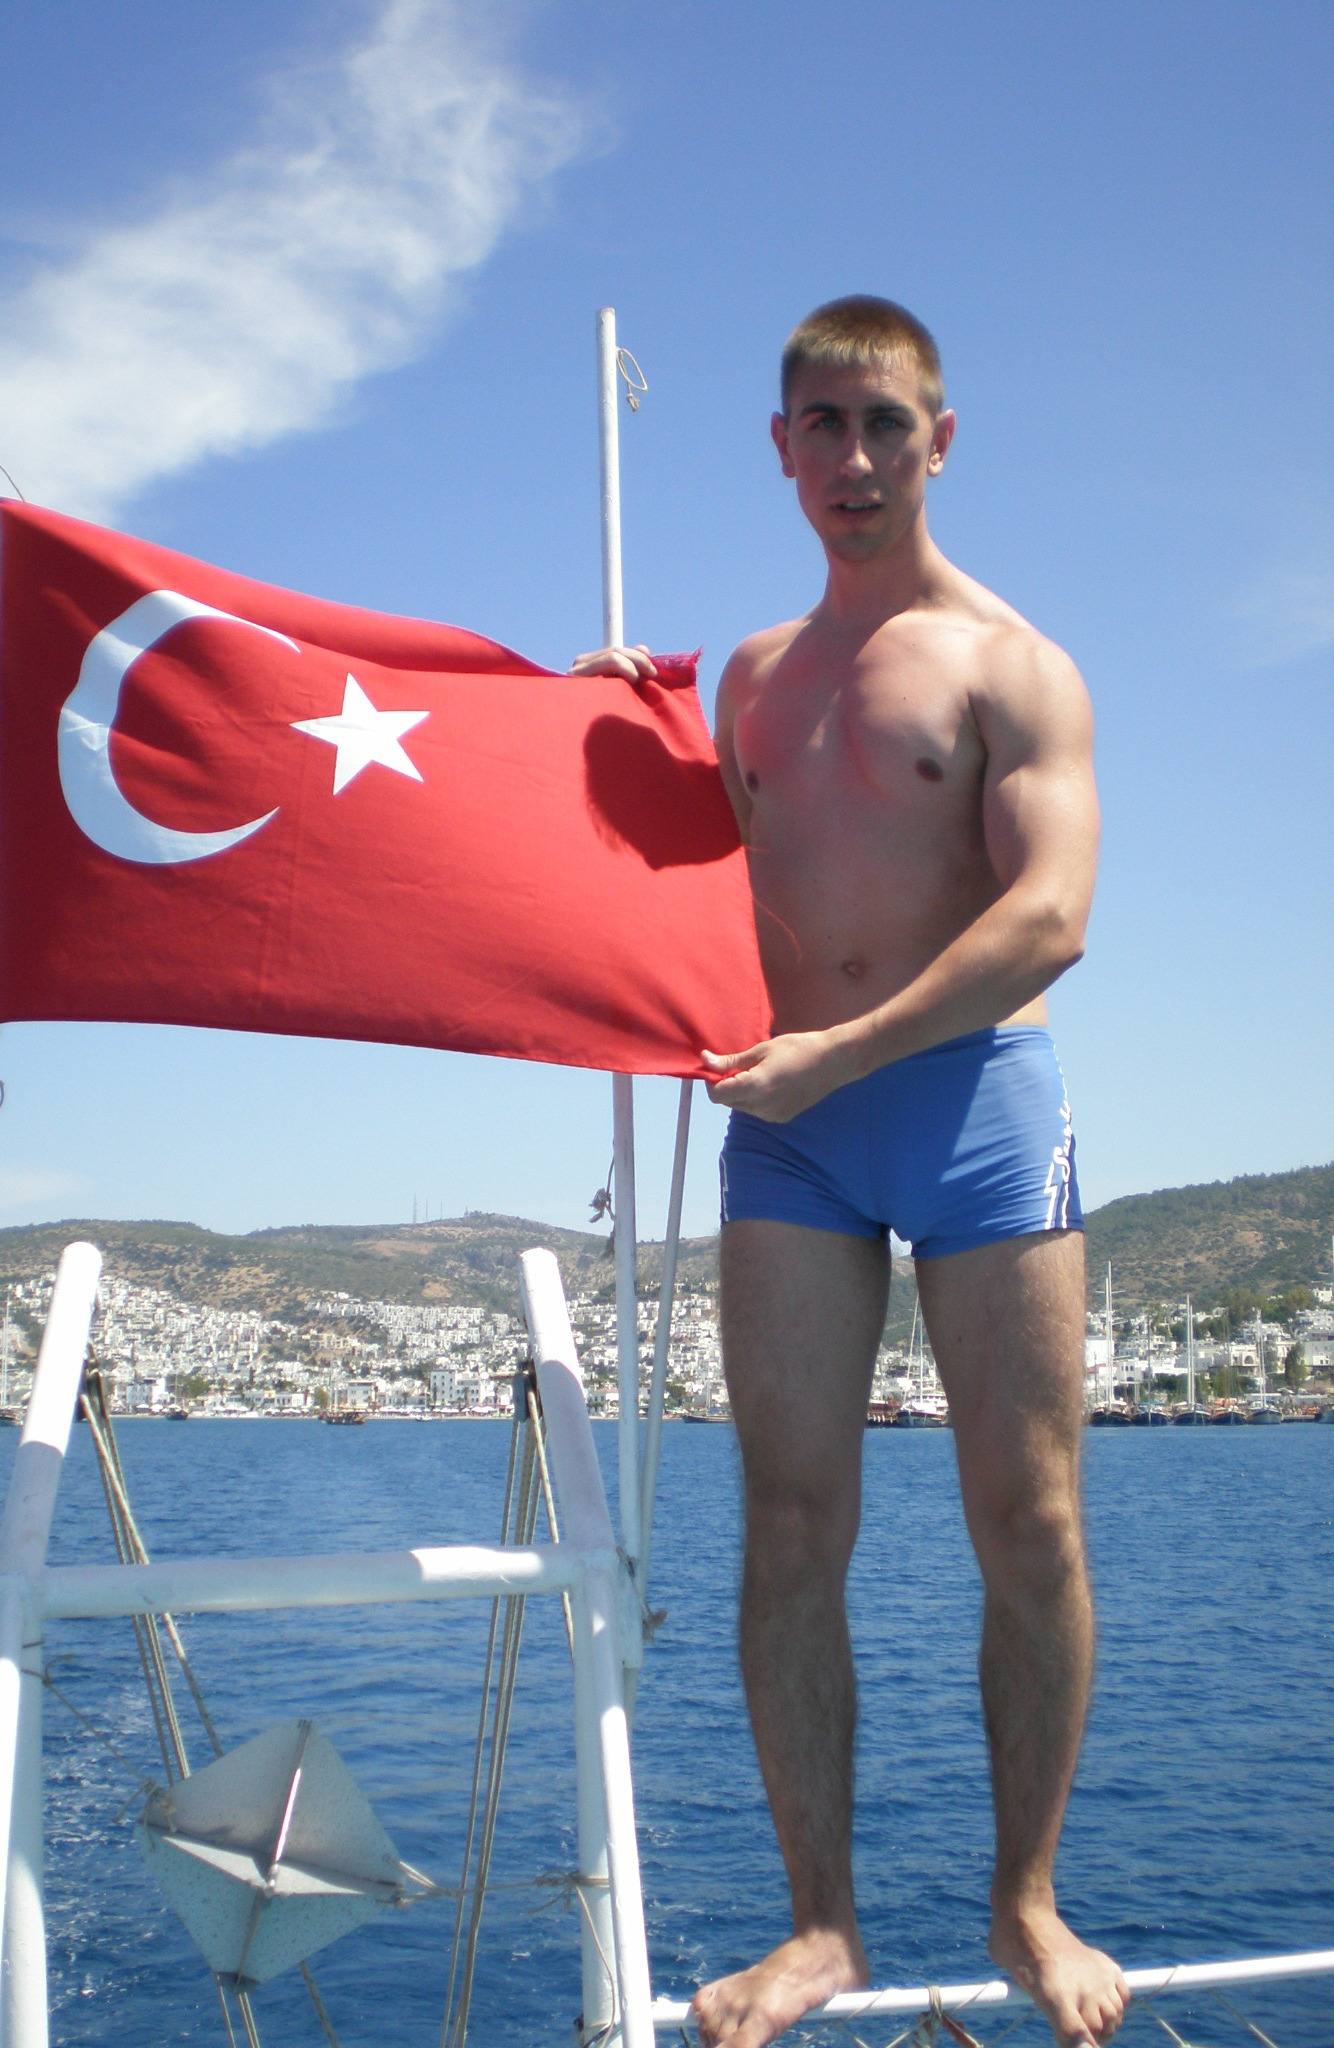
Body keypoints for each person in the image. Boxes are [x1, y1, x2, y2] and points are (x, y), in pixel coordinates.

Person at [573, 297, 1127, 2048]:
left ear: (940, 440)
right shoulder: (746, 679)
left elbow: (1051, 917)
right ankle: (823, 1925)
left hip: (969, 1109)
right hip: (796, 1130)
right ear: (781, 448)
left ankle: (1027, 1902)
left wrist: (840, 1053)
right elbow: (687, 842)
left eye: (887, 424)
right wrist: (576, 727)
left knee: (1028, 1521)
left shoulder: (1012, 668)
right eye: (823, 424)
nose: (856, 458)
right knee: (794, 1523)